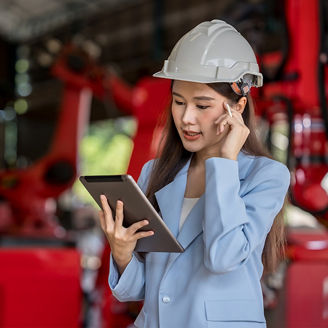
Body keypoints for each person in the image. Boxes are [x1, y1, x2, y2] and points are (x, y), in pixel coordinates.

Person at [98, 19, 290, 328]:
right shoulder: (156, 172)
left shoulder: (266, 176)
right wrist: (122, 252)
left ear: (237, 107)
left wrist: (225, 163)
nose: (186, 118)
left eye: (202, 105)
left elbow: (223, 258)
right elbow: (138, 290)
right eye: (178, 102)